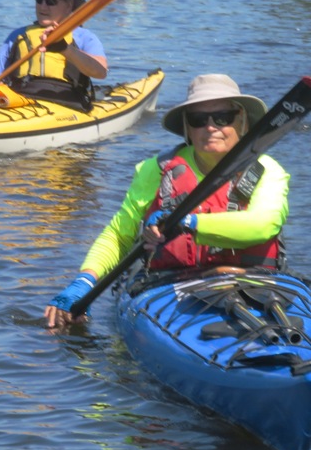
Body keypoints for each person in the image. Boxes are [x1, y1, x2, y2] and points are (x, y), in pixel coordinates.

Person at [44, 74, 290, 329]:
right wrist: (83, 282)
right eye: (198, 120)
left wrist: (187, 222)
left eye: (223, 117)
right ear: (187, 128)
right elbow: (119, 235)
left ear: (242, 121)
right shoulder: (157, 170)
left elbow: (263, 225)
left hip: (254, 284)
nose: (210, 127)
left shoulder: (268, 171)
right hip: (173, 287)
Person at [0, 0, 108, 111]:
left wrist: (66, 49)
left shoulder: (84, 37)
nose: (43, 6)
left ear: (69, 4)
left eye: (51, 1)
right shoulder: (17, 36)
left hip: (67, 104)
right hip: (20, 103)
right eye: (39, 0)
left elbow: (100, 72)